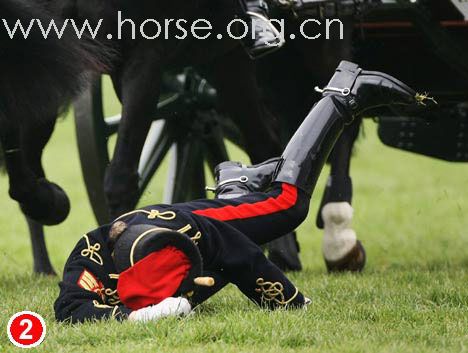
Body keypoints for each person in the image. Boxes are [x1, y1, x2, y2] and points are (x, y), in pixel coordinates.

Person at [54, 61, 428, 323]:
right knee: (221, 266)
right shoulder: (88, 264)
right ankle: (237, 183)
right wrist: (140, 316)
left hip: (202, 223)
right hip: (156, 235)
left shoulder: (194, 235)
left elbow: (244, 259)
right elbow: (70, 311)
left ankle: (341, 95)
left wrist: (290, 303)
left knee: (289, 207)